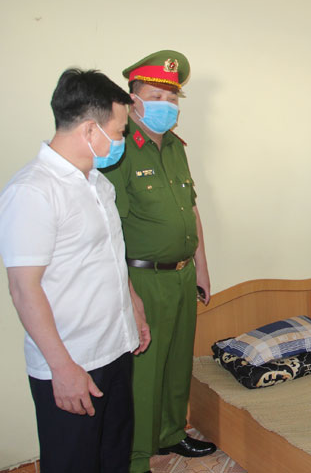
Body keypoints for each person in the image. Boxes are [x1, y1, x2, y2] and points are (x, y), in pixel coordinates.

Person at [0, 69, 150, 473]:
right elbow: (23, 289)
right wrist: (62, 368)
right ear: (89, 129)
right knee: (74, 463)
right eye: (119, 131)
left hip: (115, 349)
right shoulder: (33, 191)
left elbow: (109, 256)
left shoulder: (98, 184)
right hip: (73, 361)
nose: (121, 140)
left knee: (113, 456)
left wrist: (133, 307)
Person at [101, 50, 215, 473]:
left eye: (172, 98)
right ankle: (135, 457)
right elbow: (109, 226)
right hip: (143, 277)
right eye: (156, 96)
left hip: (182, 275)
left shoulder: (176, 148)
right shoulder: (120, 149)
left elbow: (192, 209)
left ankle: (171, 433)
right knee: (144, 370)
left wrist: (202, 268)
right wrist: (127, 292)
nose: (167, 105)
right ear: (133, 100)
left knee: (177, 362)